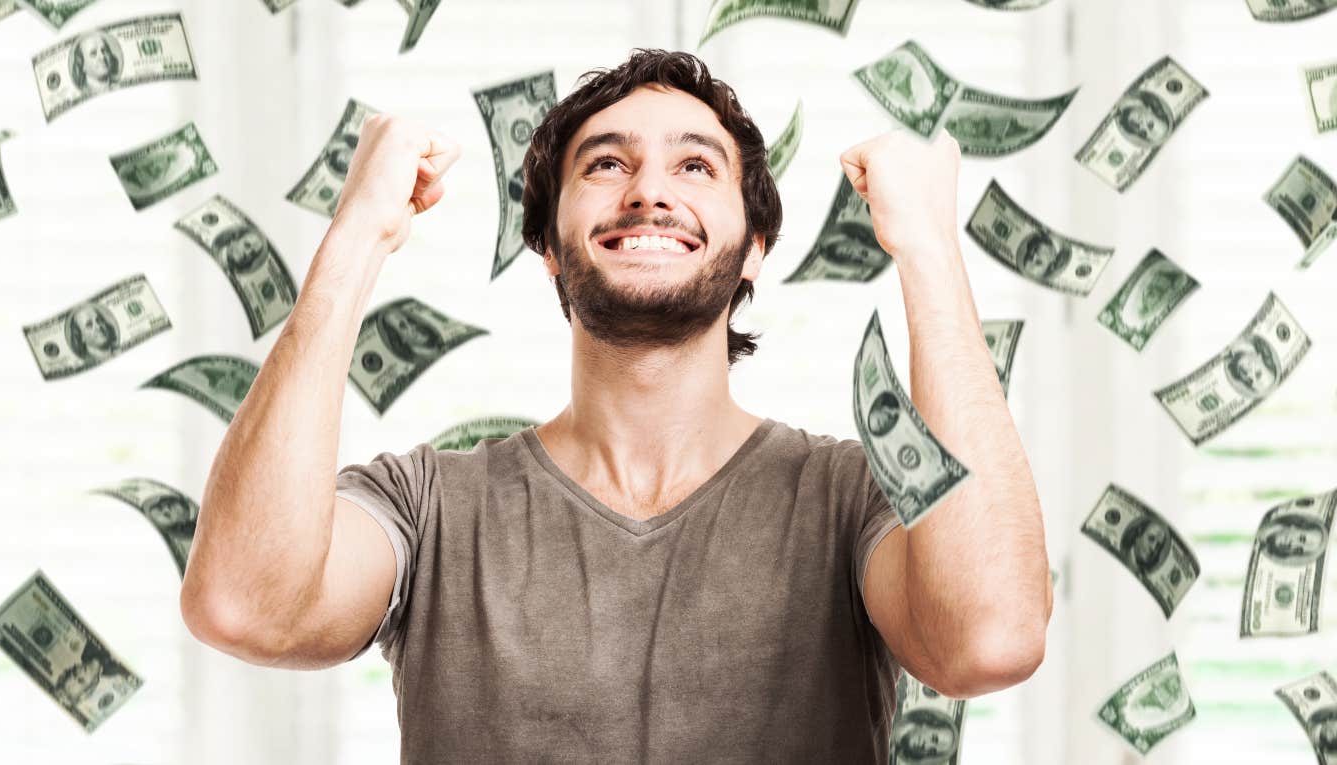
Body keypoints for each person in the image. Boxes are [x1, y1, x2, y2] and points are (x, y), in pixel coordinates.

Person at [180, 49, 1052, 763]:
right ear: (551, 252)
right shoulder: (428, 507)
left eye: (695, 165)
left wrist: (930, 248)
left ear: (755, 250)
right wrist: (356, 236)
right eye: (605, 163)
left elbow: (992, 638)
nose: (648, 190)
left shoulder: (852, 500)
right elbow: (246, 605)